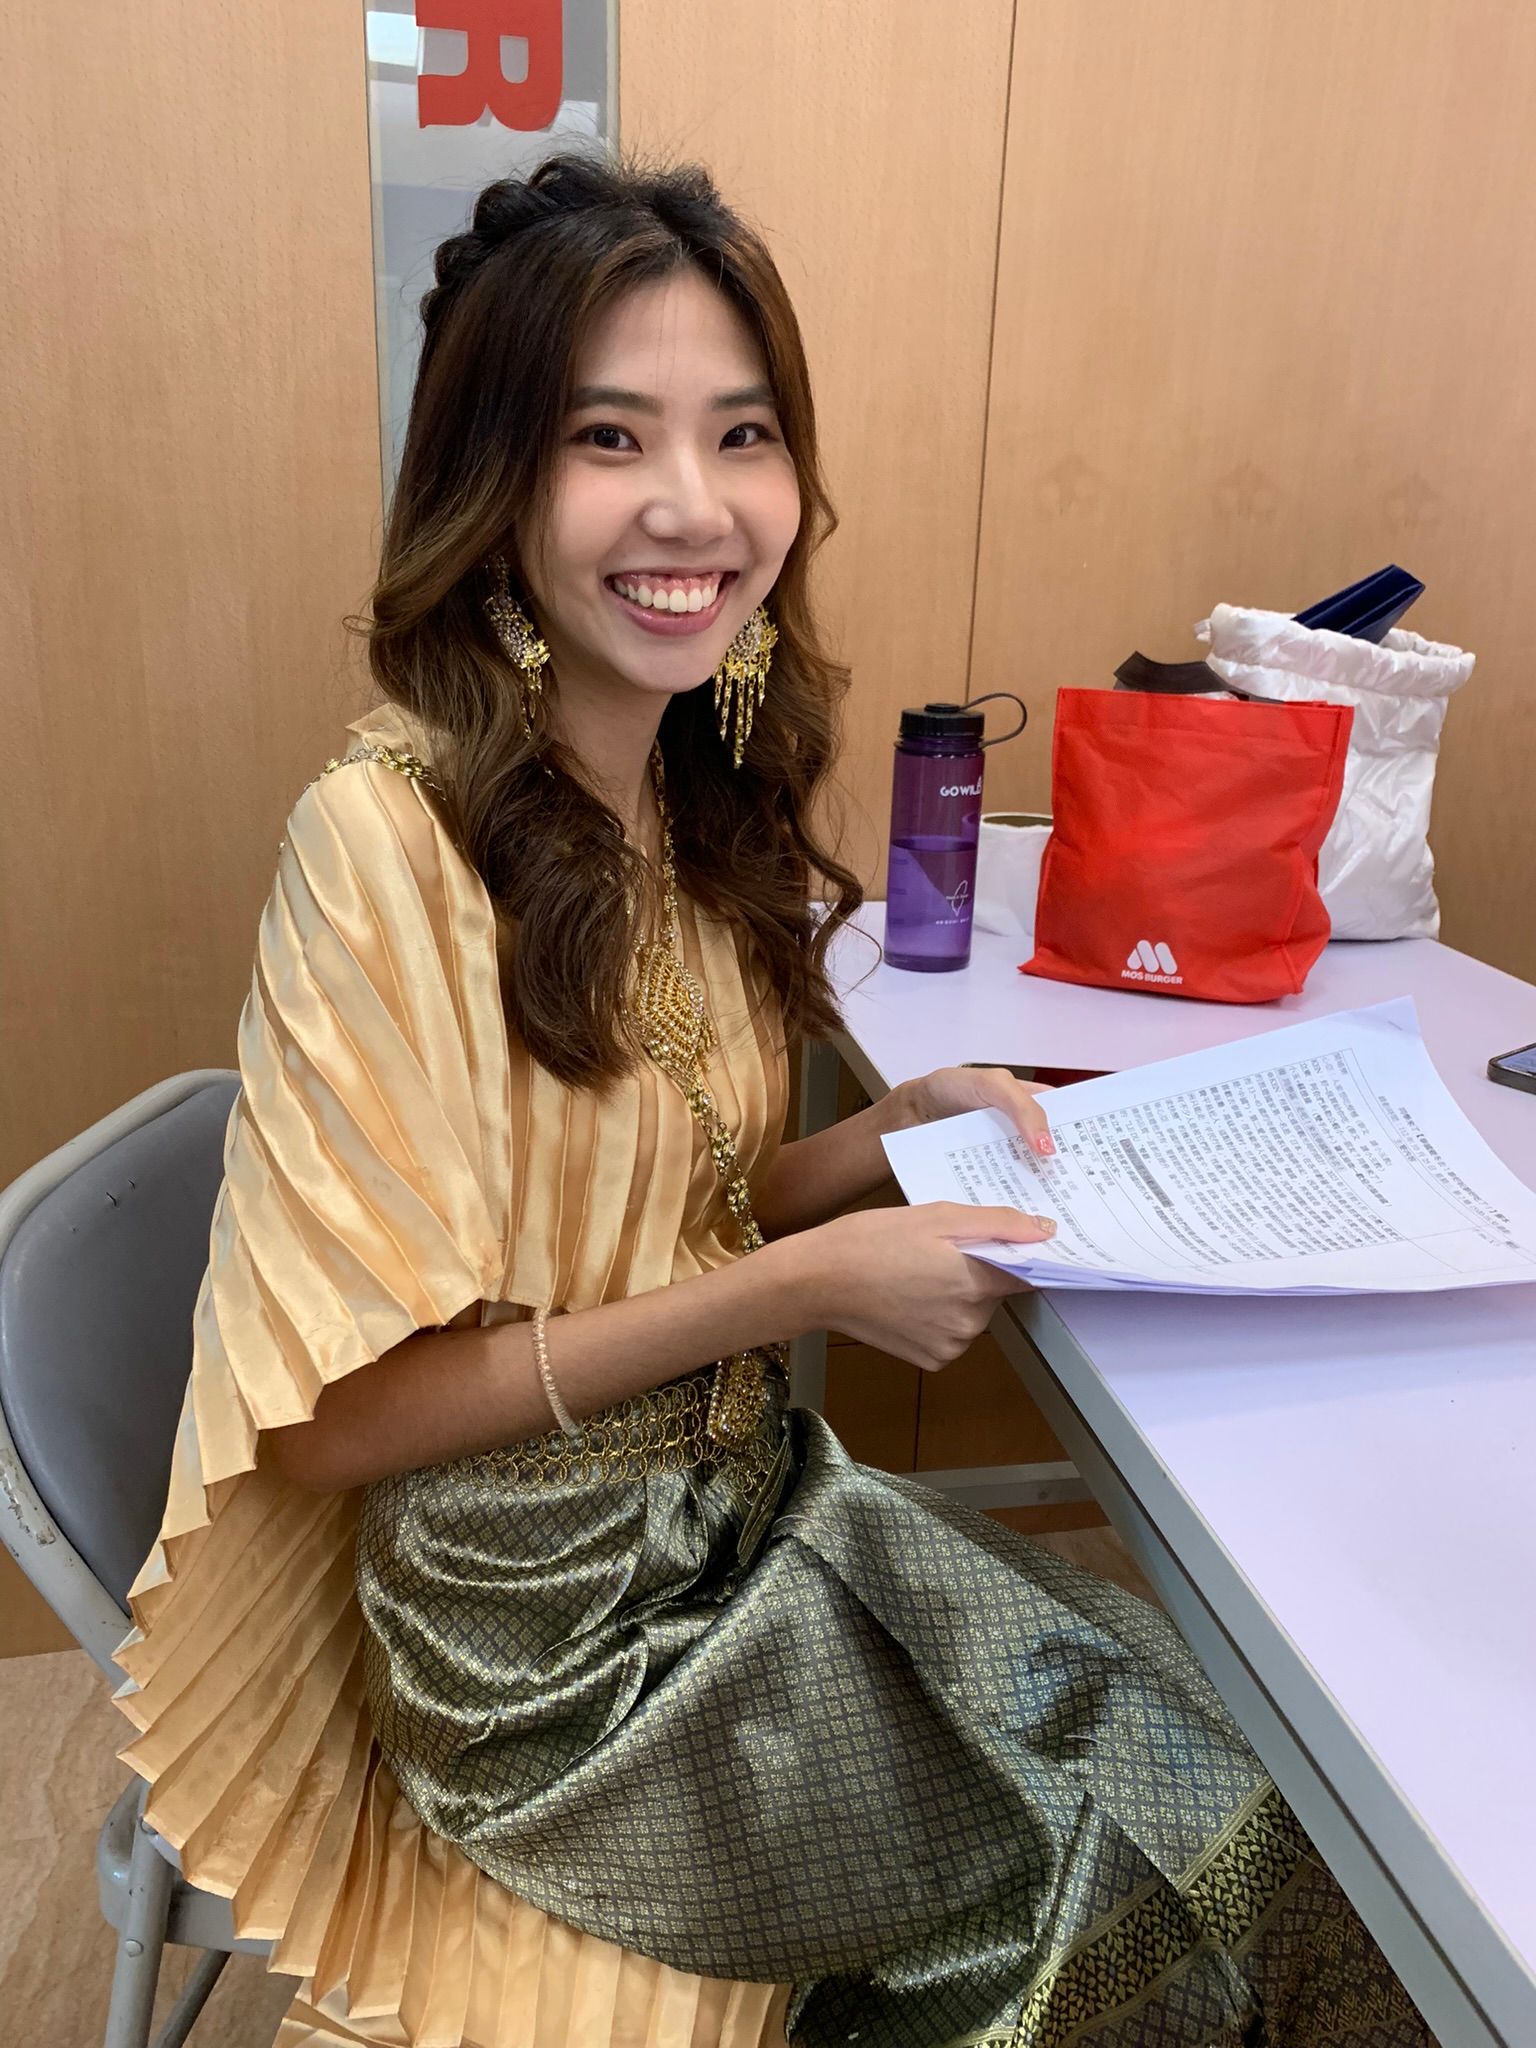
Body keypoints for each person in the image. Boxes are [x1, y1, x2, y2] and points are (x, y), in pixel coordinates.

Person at [116, 154, 1433, 2048]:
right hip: (549, 1657)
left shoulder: (682, 790)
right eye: (610, 437)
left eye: (742, 434)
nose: (693, 503)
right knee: (1110, 1894)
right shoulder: (382, 848)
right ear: (493, 487)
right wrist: (804, 1288)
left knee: (1214, 1772)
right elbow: (333, 1420)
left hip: (736, 1514)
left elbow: (669, 1198)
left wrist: (888, 1138)